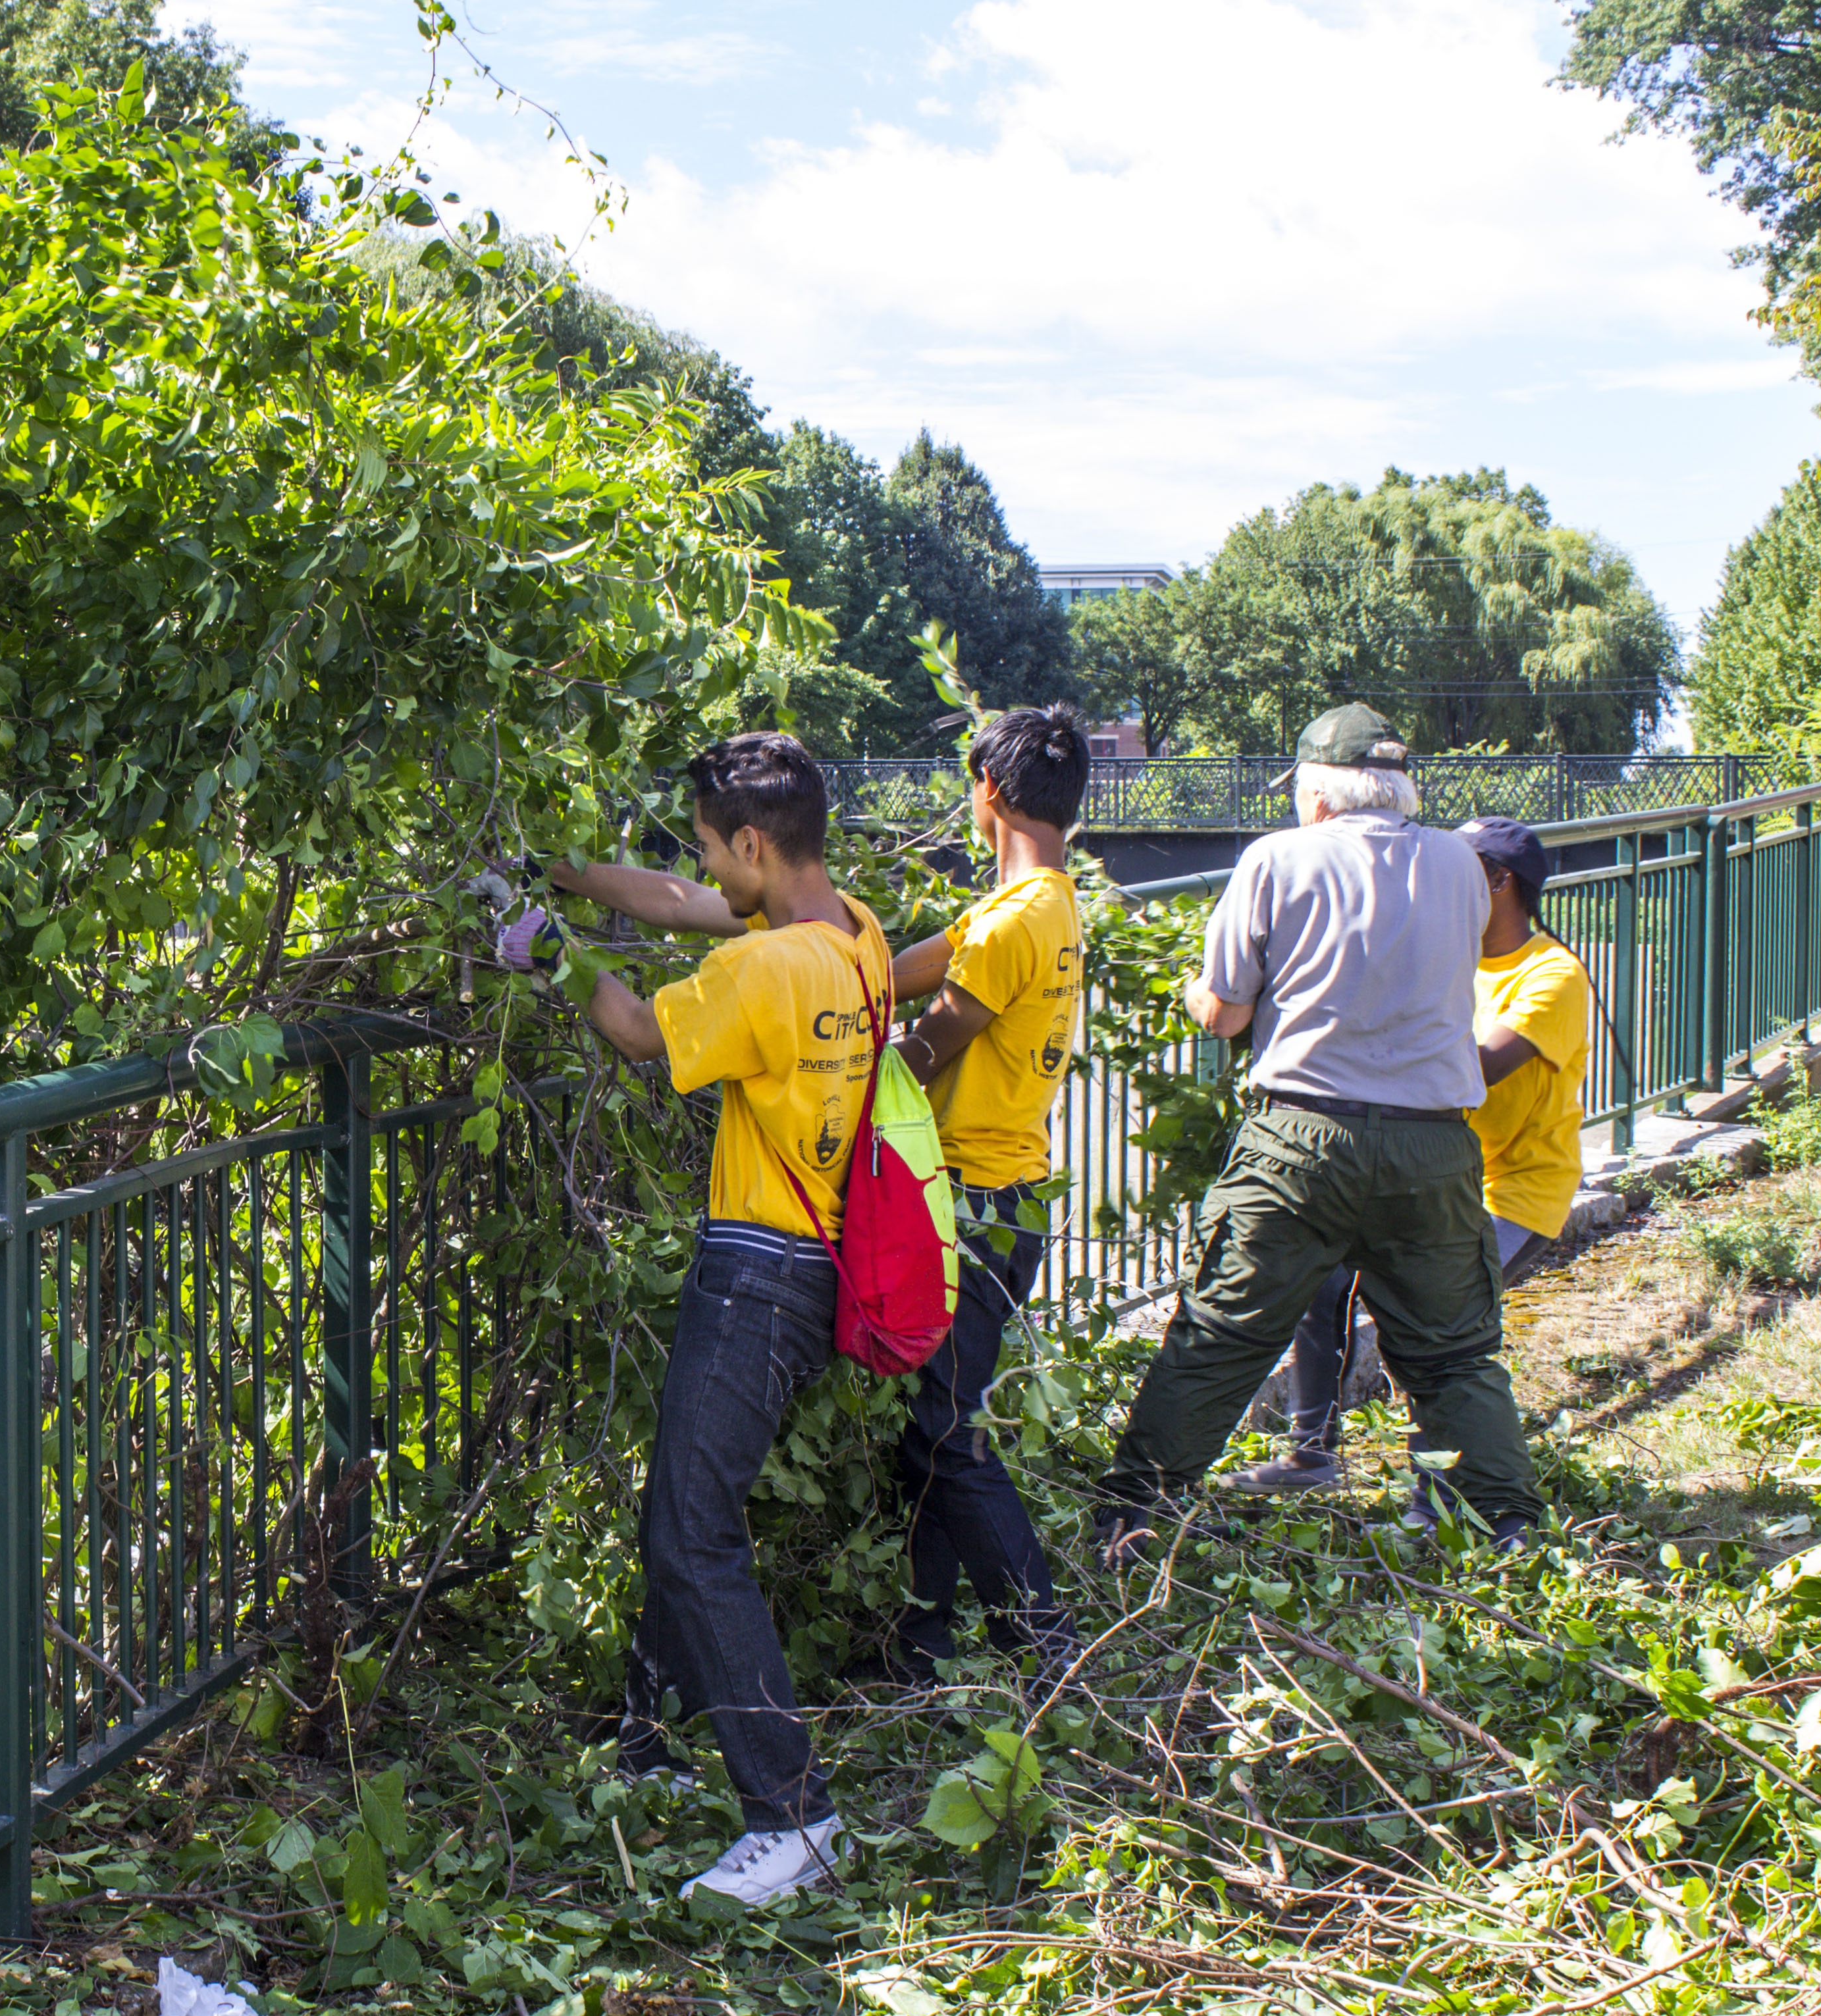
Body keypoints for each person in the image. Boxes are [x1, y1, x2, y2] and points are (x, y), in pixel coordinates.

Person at [499, 732, 892, 1907]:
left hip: (757, 1273)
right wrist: (555, 870)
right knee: (689, 1507)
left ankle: (793, 1815)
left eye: (715, 848)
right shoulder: (852, 934)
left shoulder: (760, 971)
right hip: (817, 1260)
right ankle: (653, 1742)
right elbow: (678, 902)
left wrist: (545, 949)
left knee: (688, 1529)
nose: (705, 868)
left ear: (754, 844)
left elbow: (635, 1030)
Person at [1095, 705, 1548, 1557]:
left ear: (1319, 795)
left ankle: (1133, 1515)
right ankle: (1505, 1525)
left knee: (1222, 1330)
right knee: (1454, 1349)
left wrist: (1199, 989)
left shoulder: (1276, 859)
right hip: (1432, 1143)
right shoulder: (1460, 864)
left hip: (1302, 1140)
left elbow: (1226, 1013)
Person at [1220, 815, 1587, 1501]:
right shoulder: (1450, 955)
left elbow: (1469, 1073)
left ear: (1497, 881)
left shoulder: (1554, 975)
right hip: (1424, 1180)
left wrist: (1345, 1040)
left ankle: (1441, 1496)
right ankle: (1310, 1455)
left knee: (1423, 1324)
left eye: (1454, 865)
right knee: (1323, 1283)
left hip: (1512, 1191)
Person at [879, 704, 1087, 1684]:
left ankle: (1045, 1648)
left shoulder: (1010, 924)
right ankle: (919, 1645)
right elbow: (894, 974)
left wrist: (837, 1061)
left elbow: (923, 1051)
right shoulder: (1043, 906)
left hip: (971, 1203)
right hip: (1012, 1199)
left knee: (945, 1434)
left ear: (989, 792)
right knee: (935, 1424)